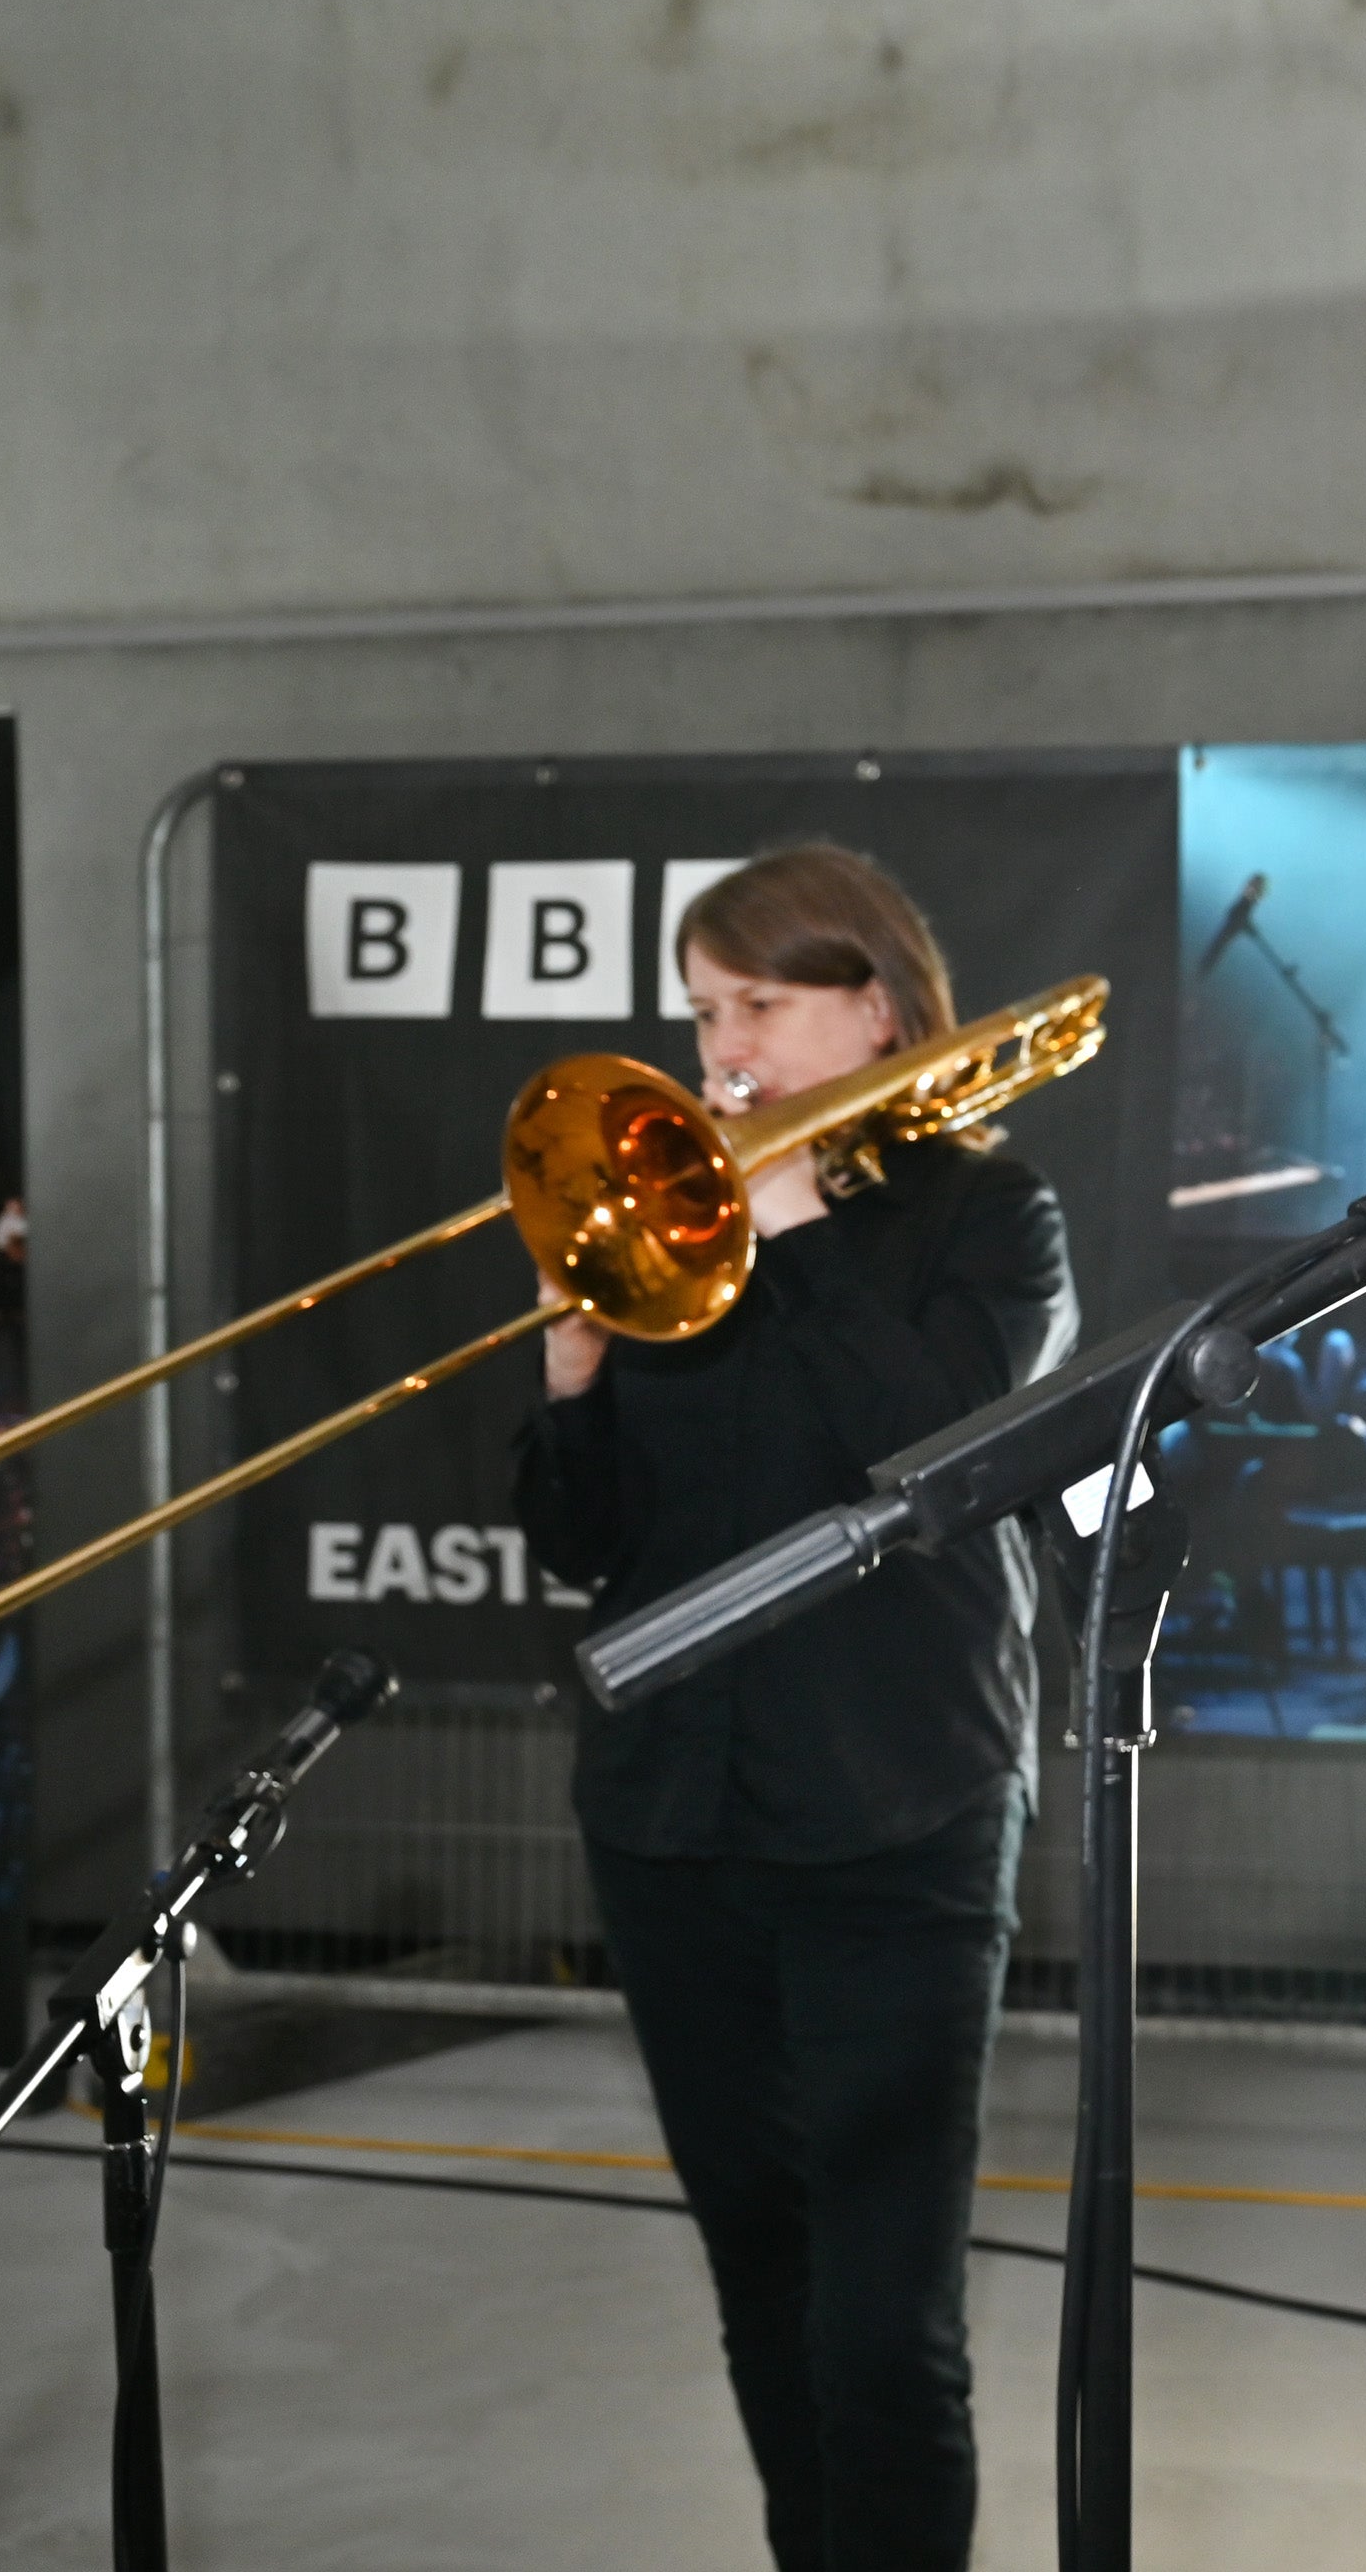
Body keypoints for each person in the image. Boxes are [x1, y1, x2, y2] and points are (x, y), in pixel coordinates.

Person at [514, 842, 1077, 2572]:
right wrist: (574, 1368)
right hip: (673, 1818)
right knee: (760, 2279)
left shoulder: (992, 1219)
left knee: (882, 2318)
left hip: (898, 1813)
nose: (717, 1049)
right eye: (701, 1011)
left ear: (877, 1006)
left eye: (756, 1003)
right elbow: (574, 1545)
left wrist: (796, 1226)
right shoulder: (660, 1230)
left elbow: (942, 1450)